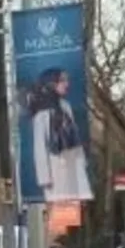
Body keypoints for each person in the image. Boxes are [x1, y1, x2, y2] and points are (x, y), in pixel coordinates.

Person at [28, 68, 93, 202]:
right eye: (62, 80)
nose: (67, 84)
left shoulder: (65, 106)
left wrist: (82, 162)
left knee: (74, 210)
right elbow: (40, 147)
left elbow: (74, 135)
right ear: (51, 83)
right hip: (55, 171)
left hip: (72, 164)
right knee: (61, 214)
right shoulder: (41, 113)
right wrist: (45, 178)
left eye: (66, 80)